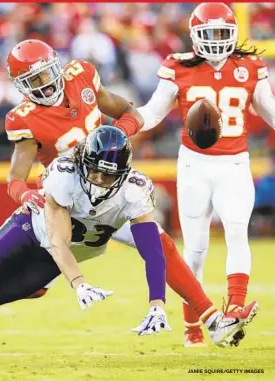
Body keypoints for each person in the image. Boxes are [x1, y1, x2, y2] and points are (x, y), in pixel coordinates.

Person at [0, 38, 256, 348]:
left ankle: (213, 320)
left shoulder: (82, 76)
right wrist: (26, 196)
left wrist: (117, 135)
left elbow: (131, 114)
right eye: (33, 81)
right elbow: (15, 178)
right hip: (70, 203)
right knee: (24, 284)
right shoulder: (23, 119)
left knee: (159, 243)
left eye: (44, 76)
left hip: (108, 187)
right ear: (21, 86)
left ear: (56, 65)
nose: (43, 85)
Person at [0, 127, 256, 366]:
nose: (98, 179)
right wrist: (78, 283)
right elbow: (58, 241)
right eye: (93, 170)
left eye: (108, 174)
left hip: (72, 246)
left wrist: (157, 302)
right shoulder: (63, 176)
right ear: (81, 162)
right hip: (33, 229)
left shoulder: (134, 191)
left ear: (123, 174)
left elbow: (153, 252)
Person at [136, 2, 275, 346]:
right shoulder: (178, 67)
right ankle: (193, 325)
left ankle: (235, 309)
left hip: (234, 164)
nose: (215, 41)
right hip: (194, 165)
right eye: (208, 33)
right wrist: (119, 121)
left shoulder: (249, 67)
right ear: (195, 35)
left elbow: (271, 112)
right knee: (195, 249)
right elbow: (152, 114)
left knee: (237, 233)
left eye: (221, 33)